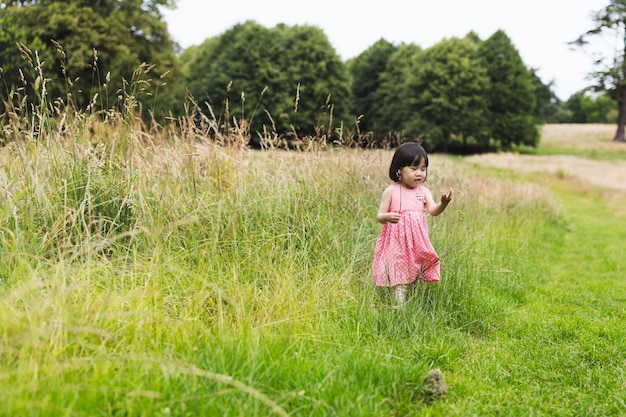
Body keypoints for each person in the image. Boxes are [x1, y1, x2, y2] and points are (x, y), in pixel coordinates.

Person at [371, 142, 453, 306]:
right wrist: (387, 216)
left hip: (417, 241)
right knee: (399, 268)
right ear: (399, 169)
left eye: (423, 169)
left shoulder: (423, 192)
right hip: (397, 241)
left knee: (414, 269)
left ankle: (413, 297)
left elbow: (433, 211)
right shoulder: (392, 191)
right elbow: (379, 216)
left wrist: (443, 204)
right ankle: (399, 306)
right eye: (413, 168)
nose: (419, 174)